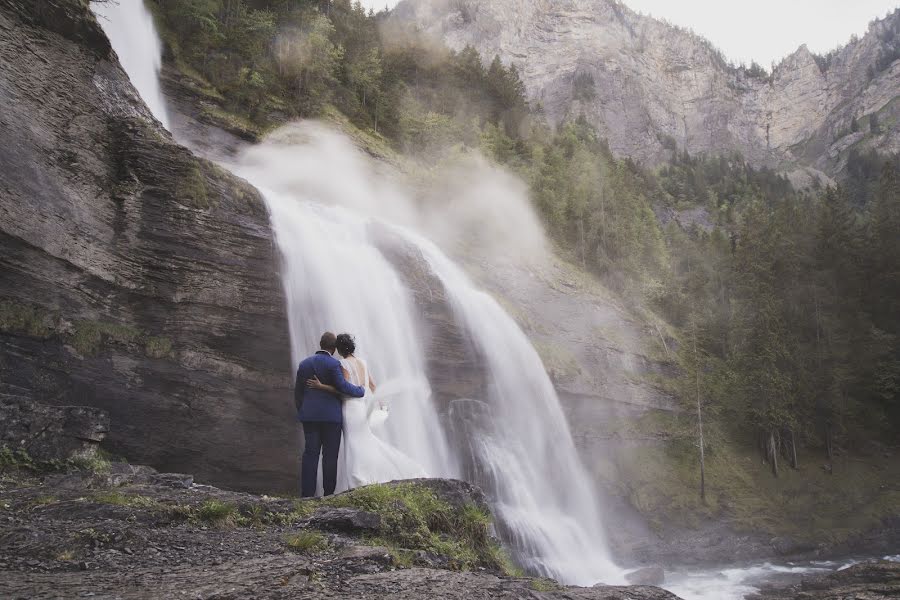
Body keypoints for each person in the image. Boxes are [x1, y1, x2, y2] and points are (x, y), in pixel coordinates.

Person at [307, 332, 426, 489]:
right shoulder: (363, 362)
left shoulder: (342, 364)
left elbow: (345, 389)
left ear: (340, 350)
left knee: (353, 443)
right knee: (364, 440)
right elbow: (372, 385)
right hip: (361, 407)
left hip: (349, 408)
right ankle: (371, 474)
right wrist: (381, 403)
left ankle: (358, 477)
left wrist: (322, 387)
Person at [294, 331, 365, 497]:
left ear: (320, 344)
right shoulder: (334, 365)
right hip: (332, 418)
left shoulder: (304, 364)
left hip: (309, 416)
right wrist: (361, 390)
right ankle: (329, 494)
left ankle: (307, 495)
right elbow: (343, 387)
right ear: (334, 349)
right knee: (330, 456)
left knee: (310, 454)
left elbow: (298, 393)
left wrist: (303, 410)